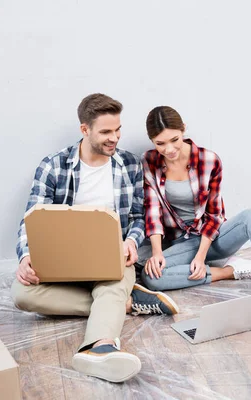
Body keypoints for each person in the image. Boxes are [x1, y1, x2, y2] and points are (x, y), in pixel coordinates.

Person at [11, 94, 180, 383]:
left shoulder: (128, 164)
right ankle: (127, 303)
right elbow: (31, 218)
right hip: (62, 256)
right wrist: (27, 256)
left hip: (112, 252)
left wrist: (130, 241)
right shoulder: (54, 165)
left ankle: (100, 348)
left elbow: (139, 216)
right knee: (22, 294)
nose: (114, 138)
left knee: (112, 284)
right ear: (85, 130)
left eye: (117, 130)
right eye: (105, 132)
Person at [137, 106, 251, 321]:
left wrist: (201, 256)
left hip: (213, 237)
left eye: (174, 139)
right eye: (160, 143)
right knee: (151, 277)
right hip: (181, 243)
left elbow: (214, 214)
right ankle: (231, 271)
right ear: (152, 141)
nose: (169, 149)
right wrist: (157, 252)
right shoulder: (149, 162)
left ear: (183, 129)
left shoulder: (209, 160)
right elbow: (152, 210)